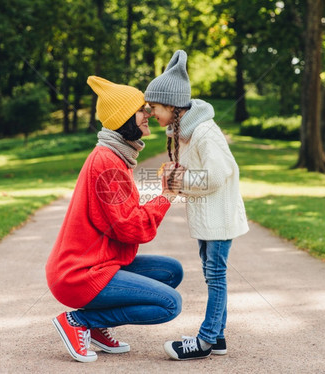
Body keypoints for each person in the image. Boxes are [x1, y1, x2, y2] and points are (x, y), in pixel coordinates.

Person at [46, 76, 184, 363]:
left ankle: (96, 326)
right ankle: (79, 321)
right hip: (80, 274)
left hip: (99, 263)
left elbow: (123, 221)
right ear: (125, 117)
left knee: (171, 272)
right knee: (170, 305)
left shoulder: (116, 157)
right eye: (142, 110)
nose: (148, 114)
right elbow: (130, 227)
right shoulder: (107, 162)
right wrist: (167, 196)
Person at [144, 50, 249, 360]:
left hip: (219, 219)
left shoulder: (203, 133)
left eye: (155, 108)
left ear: (173, 106)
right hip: (208, 220)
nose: (152, 113)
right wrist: (178, 175)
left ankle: (204, 341)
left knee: (216, 276)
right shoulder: (186, 133)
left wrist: (180, 179)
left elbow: (218, 174)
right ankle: (217, 337)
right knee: (212, 274)